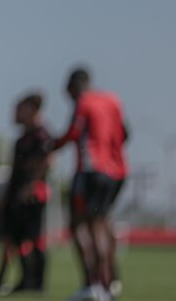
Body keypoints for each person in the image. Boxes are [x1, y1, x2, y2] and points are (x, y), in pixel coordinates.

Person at [51, 67, 128, 301]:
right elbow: (125, 134)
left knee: (82, 226)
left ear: (75, 87)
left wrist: (52, 145)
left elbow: (74, 132)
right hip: (118, 171)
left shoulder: (84, 102)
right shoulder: (113, 100)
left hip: (92, 171)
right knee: (102, 222)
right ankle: (111, 282)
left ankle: (95, 284)